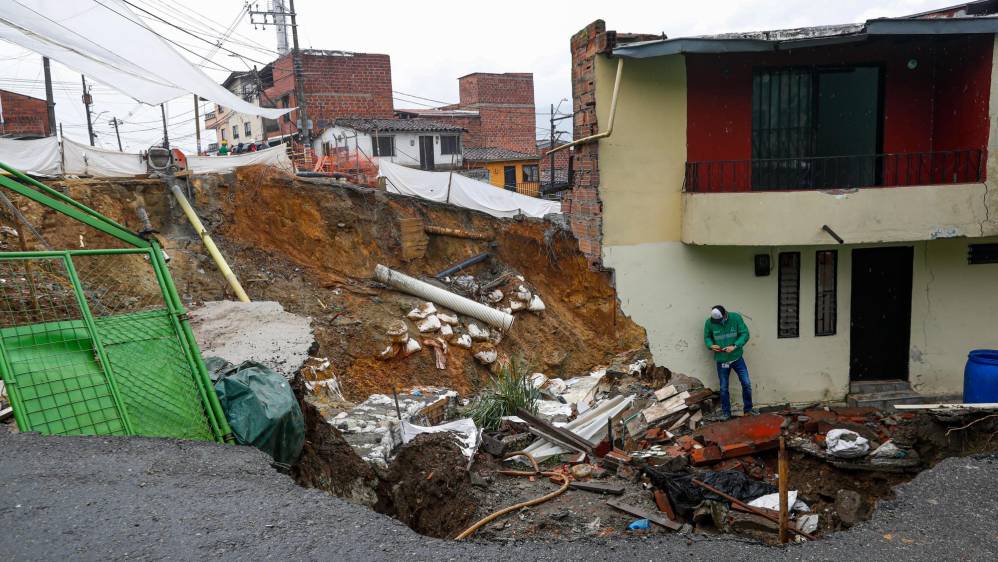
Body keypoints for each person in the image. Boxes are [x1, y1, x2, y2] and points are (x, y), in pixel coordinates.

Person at [703, 305, 754, 419]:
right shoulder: (709, 323)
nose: (718, 323)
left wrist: (735, 346)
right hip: (722, 360)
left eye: (720, 320)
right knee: (724, 387)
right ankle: (726, 413)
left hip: (737, 358)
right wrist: (710, 345)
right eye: (716, 321)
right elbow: (707, 337)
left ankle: (748, 410)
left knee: (746, 384)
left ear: (725, 314)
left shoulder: (735, 318)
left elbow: (745, 334)